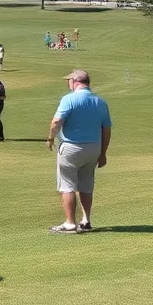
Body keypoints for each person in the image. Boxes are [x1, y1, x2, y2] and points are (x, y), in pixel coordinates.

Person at [47, 69, 112, 234]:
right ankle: (86, 220)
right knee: (86, 184)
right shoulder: (100, 101)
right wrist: (103, 153)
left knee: (67, 185)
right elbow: (106, 130)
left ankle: (70, 223)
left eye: (69, 80)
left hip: (71, 148)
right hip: (93, 148)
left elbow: (57, 121)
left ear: (75, 82)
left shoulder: (69, 99)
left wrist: (50, 138)